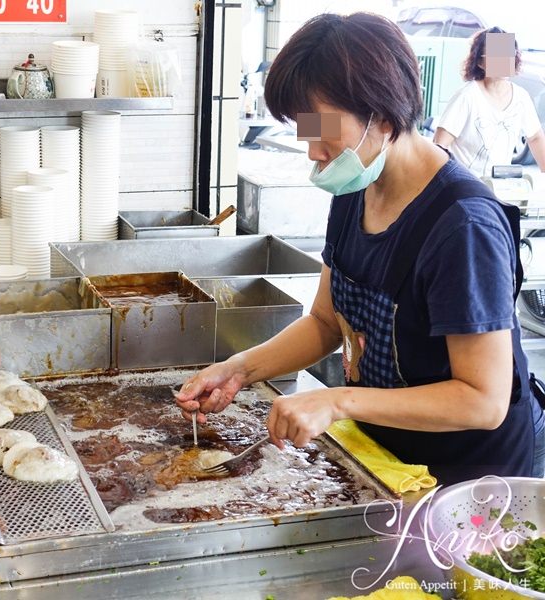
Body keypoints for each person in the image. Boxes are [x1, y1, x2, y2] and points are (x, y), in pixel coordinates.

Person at [175, 13, 545, 488]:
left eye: (323, 131)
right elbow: (328, 323)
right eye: (304, 130)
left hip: (468, 480)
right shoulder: (355, 189)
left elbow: (483, 399)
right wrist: (238, 370)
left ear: (385, 117)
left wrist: (336, 401)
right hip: (387, 457)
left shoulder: (462, 225)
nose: (313, 152)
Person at [433, 26, 545, 177]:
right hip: (468, 187)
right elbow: (439, 146)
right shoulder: (467, 97)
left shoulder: (521, 97)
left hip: (501, 185)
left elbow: (536, 137)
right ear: (480, 62)